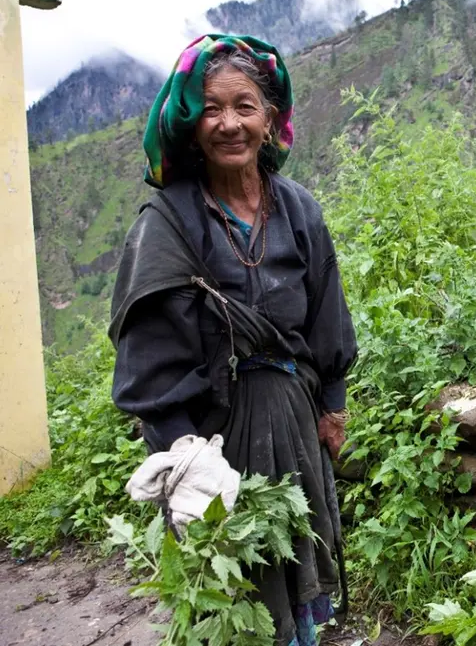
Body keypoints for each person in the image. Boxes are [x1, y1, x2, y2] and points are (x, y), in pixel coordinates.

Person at [107, 34, 357, 646]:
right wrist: (181, 457)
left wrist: (334, 402)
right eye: (212, 109)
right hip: (212, 442)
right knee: (230, 594)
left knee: (295, 579)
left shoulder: (299, 212)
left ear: (270, 121)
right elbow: (150, 356)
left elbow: (327, 315)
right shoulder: (169, 221)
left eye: (245, 107)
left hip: (294, 426)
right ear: (191, 126)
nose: (229, 124)